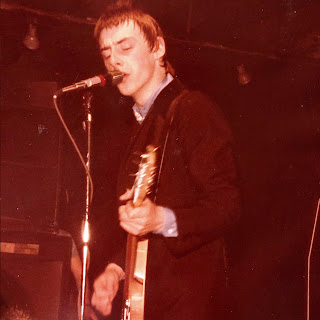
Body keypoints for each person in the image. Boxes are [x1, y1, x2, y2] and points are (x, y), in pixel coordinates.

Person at [91, 5, 241, 320]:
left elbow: (228, 205)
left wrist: (160, 219)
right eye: (107, 54)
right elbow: (147, 228)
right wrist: (116, 270)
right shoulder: (143, 124)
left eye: (125, 47)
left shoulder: (192, 109)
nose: (114, 61)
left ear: (158, 48)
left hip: (190, 306)